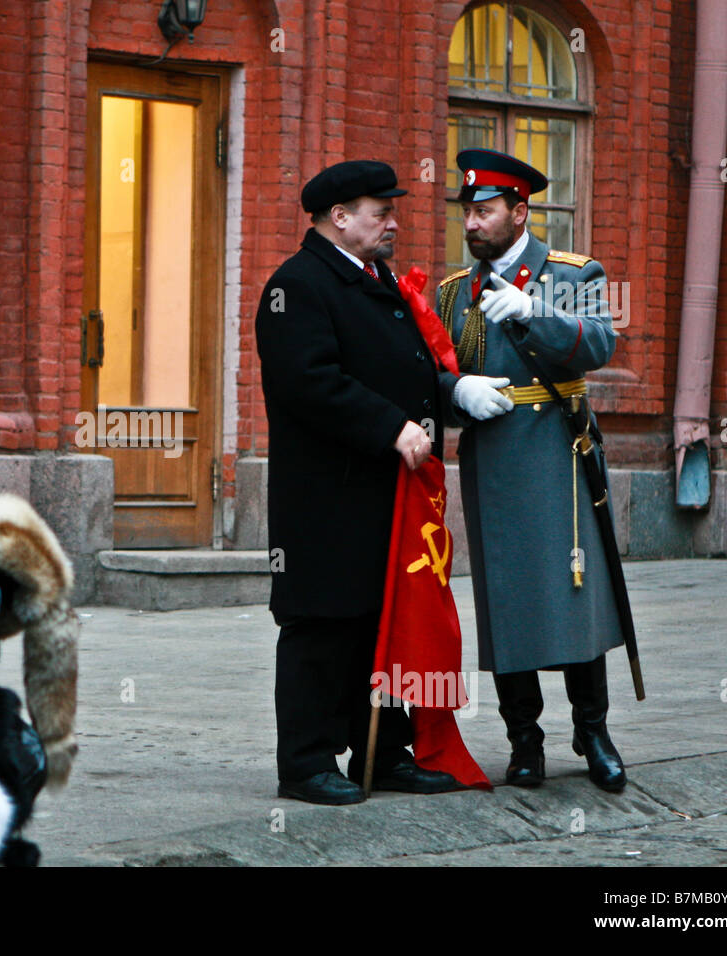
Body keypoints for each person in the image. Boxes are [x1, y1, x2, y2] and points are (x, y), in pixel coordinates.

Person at [255, 160, 512, 805]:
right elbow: (310, 382)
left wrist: (450, 392)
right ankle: (306, 763)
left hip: (385, 493)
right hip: (327, 496)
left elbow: (408, 363)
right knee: (323, 625)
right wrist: (391, 426)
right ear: (338, 218)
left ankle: (383, 753)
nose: (393, 222)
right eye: (380, 212)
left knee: (382, 621)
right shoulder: (298, 285)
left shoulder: (376, 278)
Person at [437, 147, 628, 792]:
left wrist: (534, 314)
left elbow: (599, 343)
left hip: (557, 452)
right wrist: (454, 392)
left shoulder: (574, 273)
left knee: (576, 598)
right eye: (468, 212)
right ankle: (525, 739)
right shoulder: (452, 293)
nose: (472, 224)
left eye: (485, 211)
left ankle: (593, 730)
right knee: (508, 601)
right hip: (492, 460)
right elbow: (431, 369)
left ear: (521, 212)